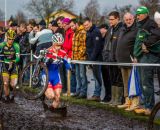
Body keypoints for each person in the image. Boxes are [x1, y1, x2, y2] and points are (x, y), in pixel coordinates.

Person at [133, 6, 160, 115]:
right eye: (137, 14)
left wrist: (146, 44)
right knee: (142, 81)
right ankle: (145, 105)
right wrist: (135, 55)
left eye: (139, 14)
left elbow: (157, 35)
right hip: (140, 56)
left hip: (149, 56)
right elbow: (138, 41)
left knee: (146, 82)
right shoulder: (140, 25)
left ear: (145, 14)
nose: (137, 16)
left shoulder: (150, 23)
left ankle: (150, 107)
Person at [116, 13, 138, 110]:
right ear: (124, 20)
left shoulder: (136, 29)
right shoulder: (122, 29)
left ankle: (135, 103)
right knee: (125, 82)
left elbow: (138, 45)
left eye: (130, 19)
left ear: (133, 19)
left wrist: (136, 57)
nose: (128, 21)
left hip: (131, 61)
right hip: (122, 60)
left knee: (132, 82)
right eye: (126, 19)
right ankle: (127, 101)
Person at [44, 33, 71, 110]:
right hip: (46, 75)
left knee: (58, 97)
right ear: (53, 43)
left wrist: (70, 67)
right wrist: (48, 61)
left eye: (60, 45)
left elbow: (66, 62)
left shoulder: (63, 53)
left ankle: (52, 110)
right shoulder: (47, 51)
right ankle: (43, 94)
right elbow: (42, 64)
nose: (58, 47)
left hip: (56, 75)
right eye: (57, 45)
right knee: (51, 95)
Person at [102, 11, 123, 106]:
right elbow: (106, 44)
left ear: (118, 18)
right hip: (108, 59)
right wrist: (105, 56)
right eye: (109, 19)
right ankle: (113, 99)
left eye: (112, 19)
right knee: (112, 79)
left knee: (118, 80)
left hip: (116, 59)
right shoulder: (110, 29)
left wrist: (116, 57)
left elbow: (119, 45)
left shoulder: (121, 29)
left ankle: (118, 100)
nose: (110, 21)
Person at [83, 17, 103, 102]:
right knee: (94, 76)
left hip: (96, 58)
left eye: (87, 25)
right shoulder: (89, 31)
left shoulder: (96, 32)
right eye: (84, 25)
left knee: (97, 77)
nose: (86, 26)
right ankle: (96, 93)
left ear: (91, 23)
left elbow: (96, 47)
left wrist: (92, 59)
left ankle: (97, 94)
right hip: (91, 57)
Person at [0, 29, 20, 102]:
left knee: (13, 85)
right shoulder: (2, 44)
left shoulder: (16, 45)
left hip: (14, 66)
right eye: (9, 39)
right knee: (5, 83)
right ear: (7, 38)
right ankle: (7, 97)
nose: (11, 41)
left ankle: (12, 95)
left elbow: (18, 58)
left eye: (12, 39)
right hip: (5, 65)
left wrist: (13, 61)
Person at [70, 18, 87, 98]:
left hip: (81, 59)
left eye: (73, 26)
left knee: (82, 75)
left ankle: (83, 92)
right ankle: (78, 91)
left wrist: (78, 57)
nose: (71, 27)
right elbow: (74, 47)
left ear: (77, 24)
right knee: (77, 75)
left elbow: (83, 47)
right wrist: (73, 58)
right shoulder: (75, 33)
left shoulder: (82, 32)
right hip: (75, 59)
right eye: (71, 26)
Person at [98, 24, 111, 103]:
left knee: (109, 80)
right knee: (105, 80)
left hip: (108, 61)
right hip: (102, 60)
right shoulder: (101, 38)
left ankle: (109, 95)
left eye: (101, 29)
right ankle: (107, 95)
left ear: (105, 29)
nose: (100, 30)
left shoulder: (107, 37)